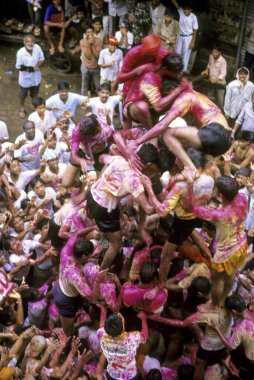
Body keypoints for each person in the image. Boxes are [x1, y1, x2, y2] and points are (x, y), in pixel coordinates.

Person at [141, 148, 214, 282]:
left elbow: (162, 211)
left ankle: (161, 283)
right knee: (190, 231)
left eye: (181, 161)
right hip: (196, 216)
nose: (178, 163)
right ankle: (207, 252)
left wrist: (149, 187)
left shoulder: (181, 186)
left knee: (165, 256)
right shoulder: (209, 179)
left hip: (182, 220)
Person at [87, 143, 157, 269]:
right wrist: (150, 189)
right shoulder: (136, 181)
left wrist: (112, 152)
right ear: (148, 165)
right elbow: (148, 209)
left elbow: (101, 158)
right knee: (116, 244)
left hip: (92, 195)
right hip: (103, 208)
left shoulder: (119, 160)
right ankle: (100, 272)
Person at [185, 172, 248, 306]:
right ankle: (224, 297)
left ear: (220, 195)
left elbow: (190, 207)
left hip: (226, 252)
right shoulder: (243, 197)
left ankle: (214, 305)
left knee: (217, 279)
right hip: (241, 243)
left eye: (216, 189)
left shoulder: (219, 214)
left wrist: (190, 184)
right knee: (232, 273)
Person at [62, 115, 114, 187]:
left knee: (95, 184)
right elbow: (73, 155)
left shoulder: (106, 129)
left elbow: (114, 141)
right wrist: (81, 161)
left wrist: (110, 155)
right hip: (82, 153)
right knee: (65, 183)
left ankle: (86, 189)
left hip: (100, 154)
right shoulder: (77, 131)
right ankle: (81, 185)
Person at [211, 294, 254, 380]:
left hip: (251, 360)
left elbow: (230, 347)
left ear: (233, 312)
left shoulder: (241, 328)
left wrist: (217, 330)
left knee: (247, 374)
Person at [97, 311, 148, 380]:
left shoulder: (102, 336)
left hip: (113, 376)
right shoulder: (132, 338)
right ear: (123, 327)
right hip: (130, 377)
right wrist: (143, 318)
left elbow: (101, 326)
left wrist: (103, 310)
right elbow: (145, 336)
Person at [15, 34, 44, 119]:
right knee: (23, 96)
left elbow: (42, 59)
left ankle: (34, 105)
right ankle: (22, 109)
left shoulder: (37, 48)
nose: (30, 43)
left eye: (32, 41)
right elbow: (18, 67)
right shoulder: (20, 53)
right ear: (24, 42)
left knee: (34, 94)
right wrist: (31, 69)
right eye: (28, 41)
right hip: (25, 79)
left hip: (36, 78)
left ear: (34, 42)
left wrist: (37, 66)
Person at [171, 0, 198, 73]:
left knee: (186, 54)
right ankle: (176, 68)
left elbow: (195, 30)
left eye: (187, 9)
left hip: (188, 37)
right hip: (180, 36)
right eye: (184, 9)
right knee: (177, 52)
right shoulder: (181, 12)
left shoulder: (193, 17)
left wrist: (193, 42)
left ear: (191, 10)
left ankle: (183, 70)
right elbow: (176, 4)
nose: (185, 10)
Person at [201, 45, 227, 109]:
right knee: (209, 97)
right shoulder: (211, 56)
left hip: (220, 83)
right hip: (211, 80)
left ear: (219, 53)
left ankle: (220, 111)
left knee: (220, 100)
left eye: (216, 52)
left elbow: (223, 73)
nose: (213, 54)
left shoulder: (223, 61)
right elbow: (209, 64)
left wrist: (216, 80)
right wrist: (206, 70)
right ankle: (207, 109)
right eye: (213, 52)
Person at [80, 25, 103, 96]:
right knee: (84, 86)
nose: (90, 34)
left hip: (96, 67)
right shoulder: (82, 42)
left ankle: (101, 100)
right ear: (85, 33)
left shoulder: (99, 40)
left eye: (92, 31)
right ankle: (84, 101)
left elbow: (97, 56)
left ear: (94, 32)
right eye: (88, 32)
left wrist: (92, 45)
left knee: (98, 86)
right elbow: (89, 56)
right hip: (85, 67)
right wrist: (88, 44)